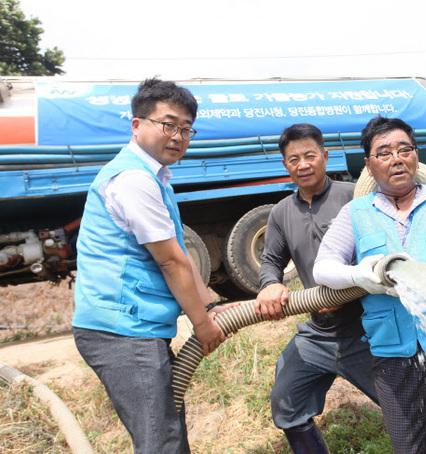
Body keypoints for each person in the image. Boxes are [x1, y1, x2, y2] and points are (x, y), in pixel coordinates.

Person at [72, 78, 235, 453]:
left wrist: (209, 306)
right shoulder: (133, 179)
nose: (178, 136)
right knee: (161, 442)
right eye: (168, 124)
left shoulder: (154, 177)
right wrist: (202, 325)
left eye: (186, 129)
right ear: (136, 125)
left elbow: (178, 252)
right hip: (121, 332)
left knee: (166, 433)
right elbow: (170, 262)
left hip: (133, 328)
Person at [313, 116, 426, 453]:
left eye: (404, 149)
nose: (396, 159)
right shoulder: (356, 212)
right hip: (394, 355)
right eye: (383, 153)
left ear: (416, 154)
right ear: (368, 165)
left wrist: (421, 272)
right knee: (409, 447)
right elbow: (323, 268)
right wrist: (360, 276)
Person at [255, 123, 378, 453]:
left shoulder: (355, 197)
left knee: (406, 407)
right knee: (287, 403)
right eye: (293, 159)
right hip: (318, 333)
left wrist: (346, 287)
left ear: (325, 156)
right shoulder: (281, 212)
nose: (303, 164)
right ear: (285, 165)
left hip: (367, 329)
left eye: (310, 155)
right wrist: (269, 285)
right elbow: (271, 261)